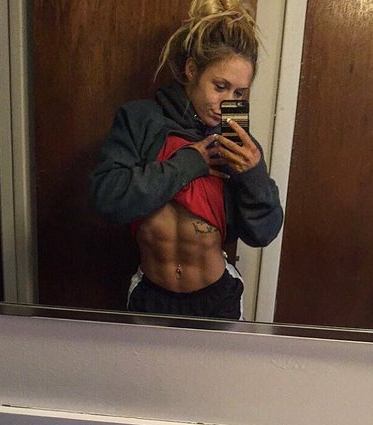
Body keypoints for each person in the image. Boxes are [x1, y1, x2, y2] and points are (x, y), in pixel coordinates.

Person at [91, 0, 283, 320]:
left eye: (239, 93)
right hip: (151, 295)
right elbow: (107, 199)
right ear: (192, 70)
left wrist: (254, 174)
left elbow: (262, 234)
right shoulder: (140, 120)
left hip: (217, 299)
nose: (227, 103)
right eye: (220, 86)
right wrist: (188, 164)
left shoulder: (237, 144)